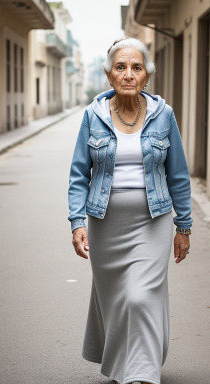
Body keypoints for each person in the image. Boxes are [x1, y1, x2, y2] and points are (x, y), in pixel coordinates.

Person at [68, 37, 193, 384]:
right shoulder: (92, 117)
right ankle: (127, 364)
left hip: (152, 221)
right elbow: (79, 174)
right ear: (108, 76)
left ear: (146, 77)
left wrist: (184, 226)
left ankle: (141, 373)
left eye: (136, 67)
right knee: (119, 300)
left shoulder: (163, 115)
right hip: (105, 223)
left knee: (140, 297)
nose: (128, 74)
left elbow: (178, 174)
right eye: (120, 67)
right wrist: (77, 222)